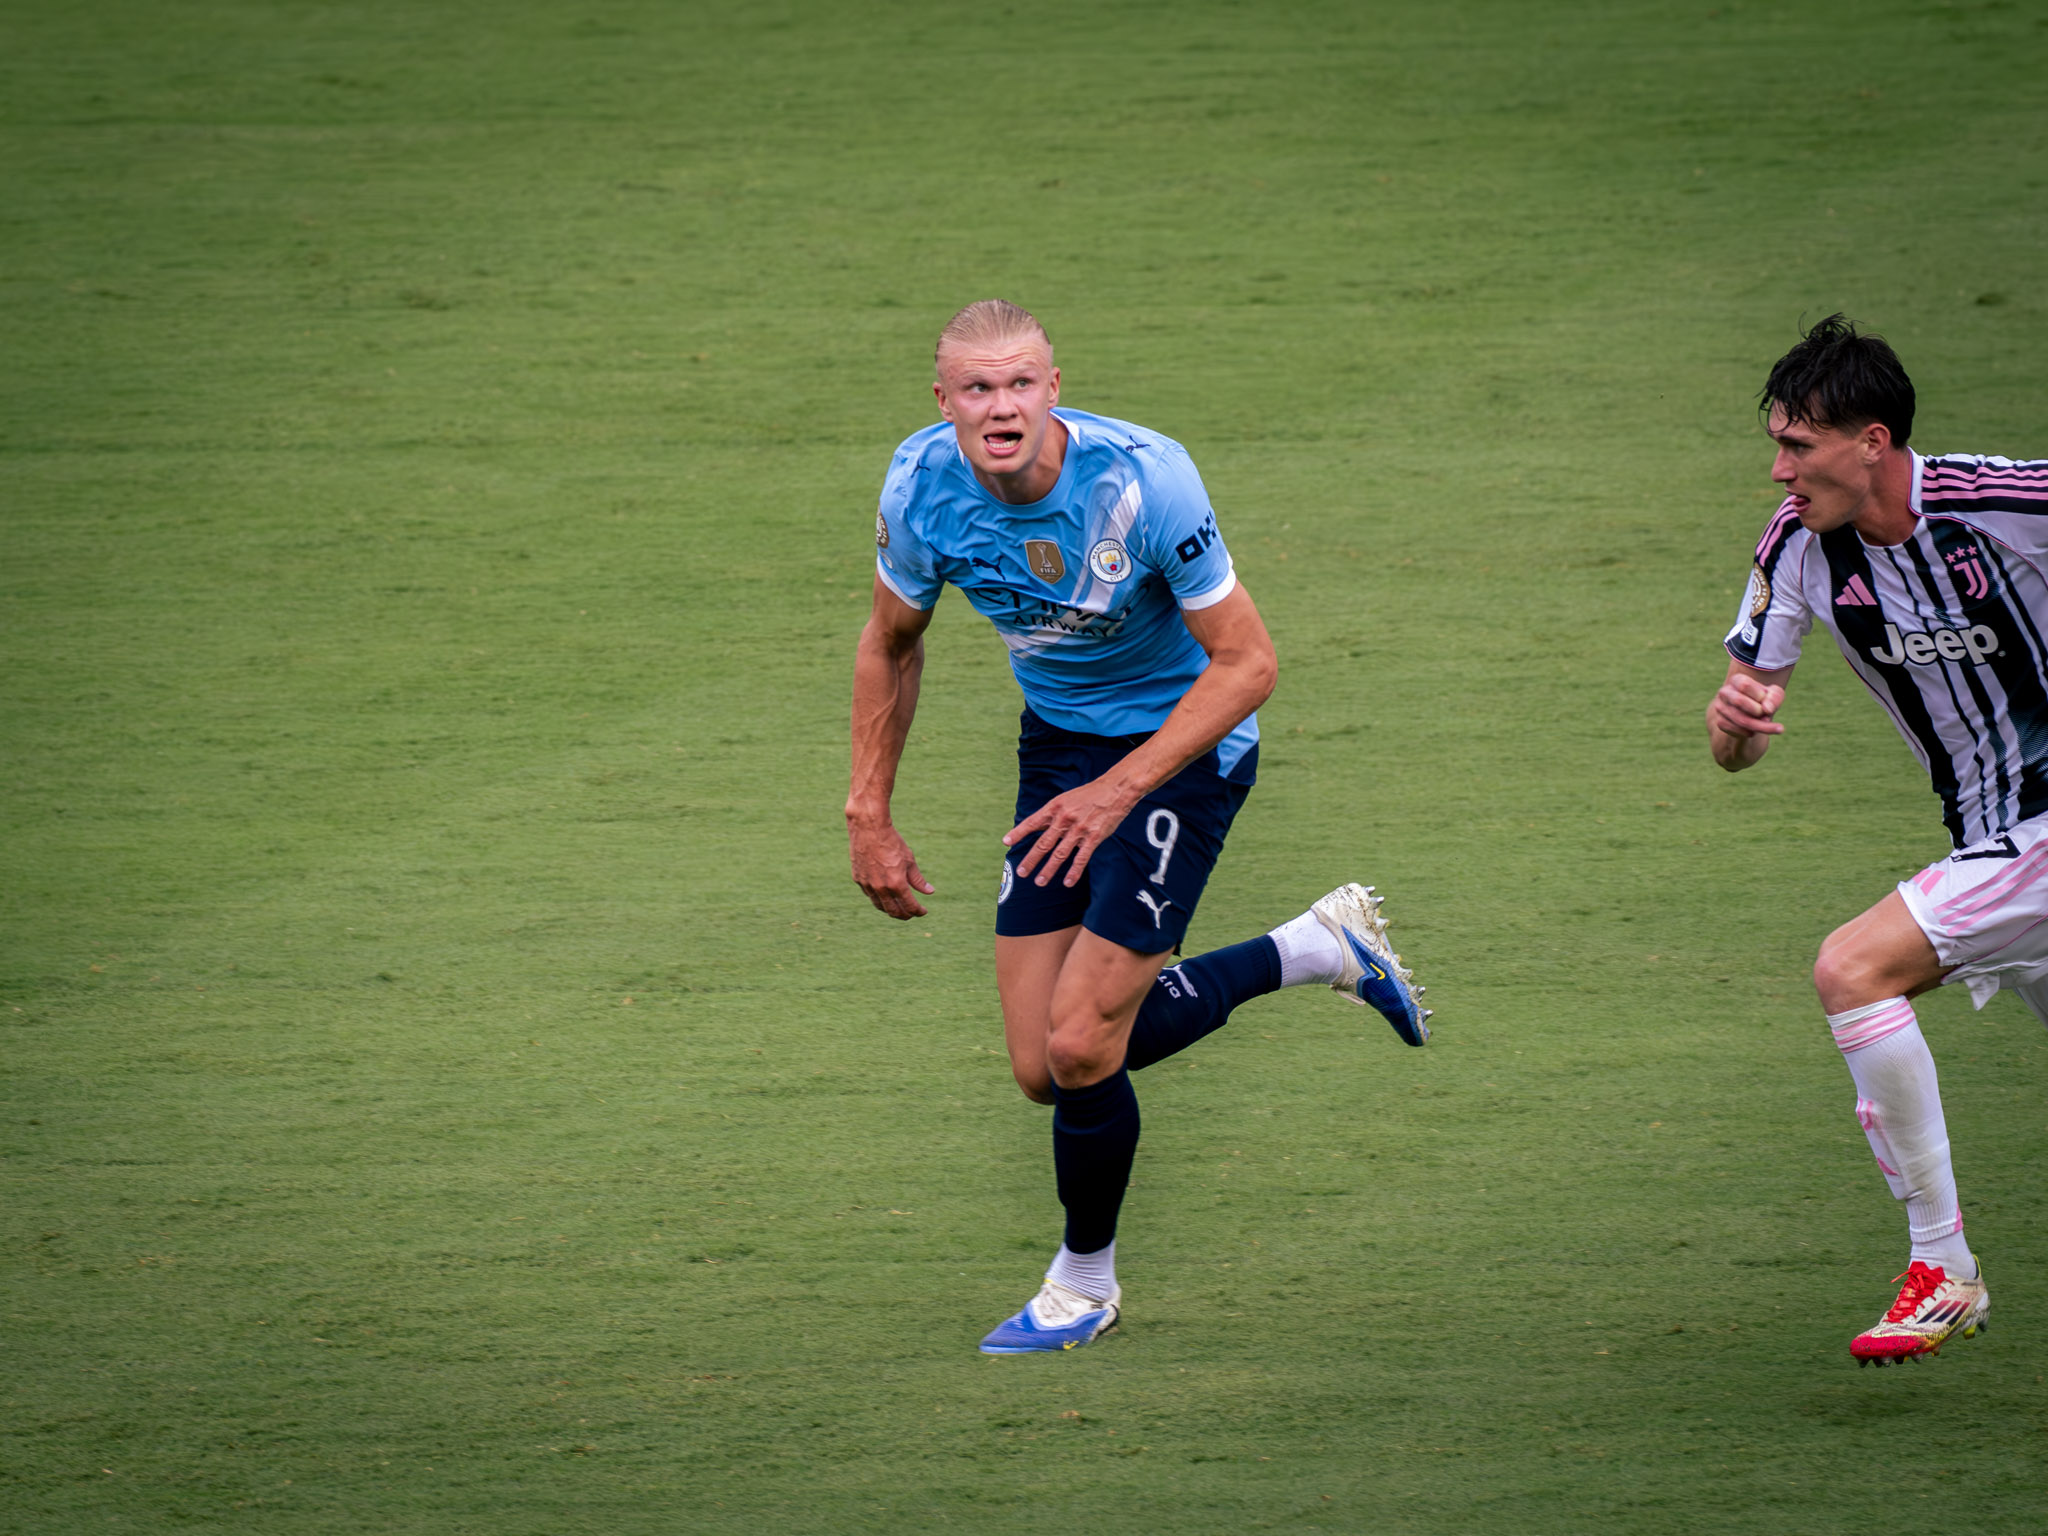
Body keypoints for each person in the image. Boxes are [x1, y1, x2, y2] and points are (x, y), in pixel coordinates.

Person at [847, 300, 1430, 1354]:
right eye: (976, 388)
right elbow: (891, 640)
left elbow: (1248, 664)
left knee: (1081, 1044)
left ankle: (1083, 1286)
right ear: (943, 401)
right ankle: (1312, 947)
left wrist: (1119, 792)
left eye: (1019, 383)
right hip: (1058, 751)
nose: (1000, 407)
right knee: (1041, 1066)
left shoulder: (1144, 480)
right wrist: (867, 809)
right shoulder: (918, 485)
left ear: (1053, 388)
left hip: (1184, 746)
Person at [1708, 313, 2048, 1365]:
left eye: (1797, 445)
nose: (1779, 470)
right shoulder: (1795, 550)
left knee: (1852, 968)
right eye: (1776, 444)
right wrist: (1733, 723)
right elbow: (1738, 736)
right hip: (1993, 837)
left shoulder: (2005, 503)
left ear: (1873, 441)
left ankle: (1942, 1264)